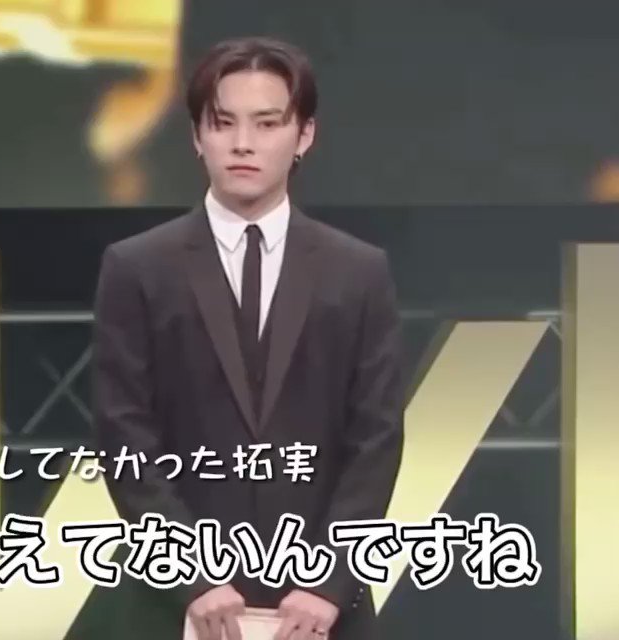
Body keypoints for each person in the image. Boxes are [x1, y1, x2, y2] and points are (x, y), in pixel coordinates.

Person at [92, 36, 404, 640]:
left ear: (304, 136)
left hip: (323, 610)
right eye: (223, 122)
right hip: (176, 607)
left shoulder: (359, 271)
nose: (243, 143)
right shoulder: (138, 267)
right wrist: (191, 575)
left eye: (266, 123)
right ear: (196, 136)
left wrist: (328, 582)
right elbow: (123, 433)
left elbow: (377, 437)